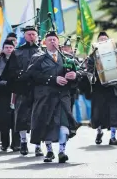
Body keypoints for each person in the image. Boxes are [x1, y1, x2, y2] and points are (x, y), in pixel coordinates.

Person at [23, 31, 80, 163]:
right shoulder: (38, 58)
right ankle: (49, 151)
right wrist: (53, 79)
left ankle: (62, 151)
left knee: (63, 125)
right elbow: (32, 75)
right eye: (49, 40)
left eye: (54, 39)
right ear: (45, 43)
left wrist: (75, 75)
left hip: (63, 97)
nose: (52, 42)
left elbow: (82, 72)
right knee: (46, 124)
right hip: (45, 98)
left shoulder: (67, 58)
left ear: (58, 42)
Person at [0, 25, 44, 156]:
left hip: (38, 89)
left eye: (34, 34)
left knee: (38, 117)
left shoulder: (42, 51)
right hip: (22, 89)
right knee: (22, 117)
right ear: (24, 36)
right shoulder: (17, 52)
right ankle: (23, 142)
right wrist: (20, 76)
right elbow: (10, 71)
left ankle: (37, 146)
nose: (32, 36)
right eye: (29, 34)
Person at [87, 32, 117, 145]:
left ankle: (113, 137)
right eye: (101, 39)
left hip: (113, 88)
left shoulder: (116, 54)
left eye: (105, 39)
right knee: (99, 113)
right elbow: (89, 71)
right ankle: (99, 132)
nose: (103, 41)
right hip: (99, 89)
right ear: (97, 42)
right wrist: (93, 77)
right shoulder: (93, 56)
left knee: (114, 114)